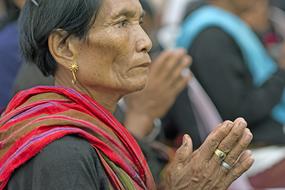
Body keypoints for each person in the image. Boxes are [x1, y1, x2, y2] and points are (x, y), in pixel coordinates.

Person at [0, 0, 253, 189]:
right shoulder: (62, 154)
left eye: (139, 22)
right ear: (65, 48)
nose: (145, 41)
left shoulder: (99, 131)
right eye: (121, 23)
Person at [177, 0, 285, 146]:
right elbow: (238, 115)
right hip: (248, 144)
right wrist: (281, 72)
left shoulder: (228, 24)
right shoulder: (211, 37)